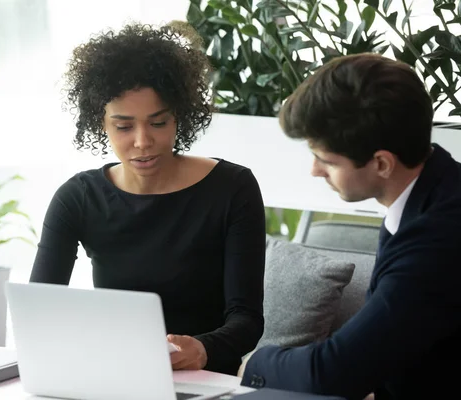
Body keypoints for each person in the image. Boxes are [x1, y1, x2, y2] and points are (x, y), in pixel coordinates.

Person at [29, 23, 266, 376]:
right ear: (101, 123)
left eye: (158, 122)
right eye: (124, 126)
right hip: (114, 375)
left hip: (203, 380)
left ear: (178, 116)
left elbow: (246, 320)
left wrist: (202, 349)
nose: (142, 141)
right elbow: (38, 312)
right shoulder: (77, 199)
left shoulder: (232, 188)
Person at [241, 52, 461, 399]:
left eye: (326, 160)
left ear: (382, 164)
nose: (315, 170)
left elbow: (335, 371)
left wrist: (254, 364)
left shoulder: (438, 239)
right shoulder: (437, 190)